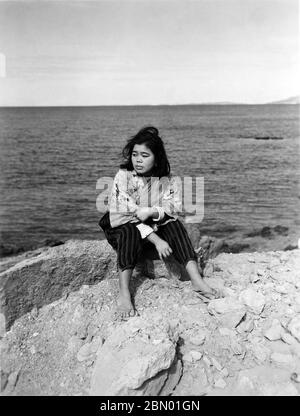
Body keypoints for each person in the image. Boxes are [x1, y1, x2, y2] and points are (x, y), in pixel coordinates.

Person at [99, 126, 218, 319]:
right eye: (135, 154)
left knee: (173, 223)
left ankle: (196, 280)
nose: (138, 159)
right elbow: (127, 215)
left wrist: (152, 211)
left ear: (156, 158)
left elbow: (174, 208)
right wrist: (157, 241)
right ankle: (124, 292)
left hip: (150, 221)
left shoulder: (168, 180)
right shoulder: (123, 177)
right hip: (121, 225)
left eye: (145, 155)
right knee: (129, 231)